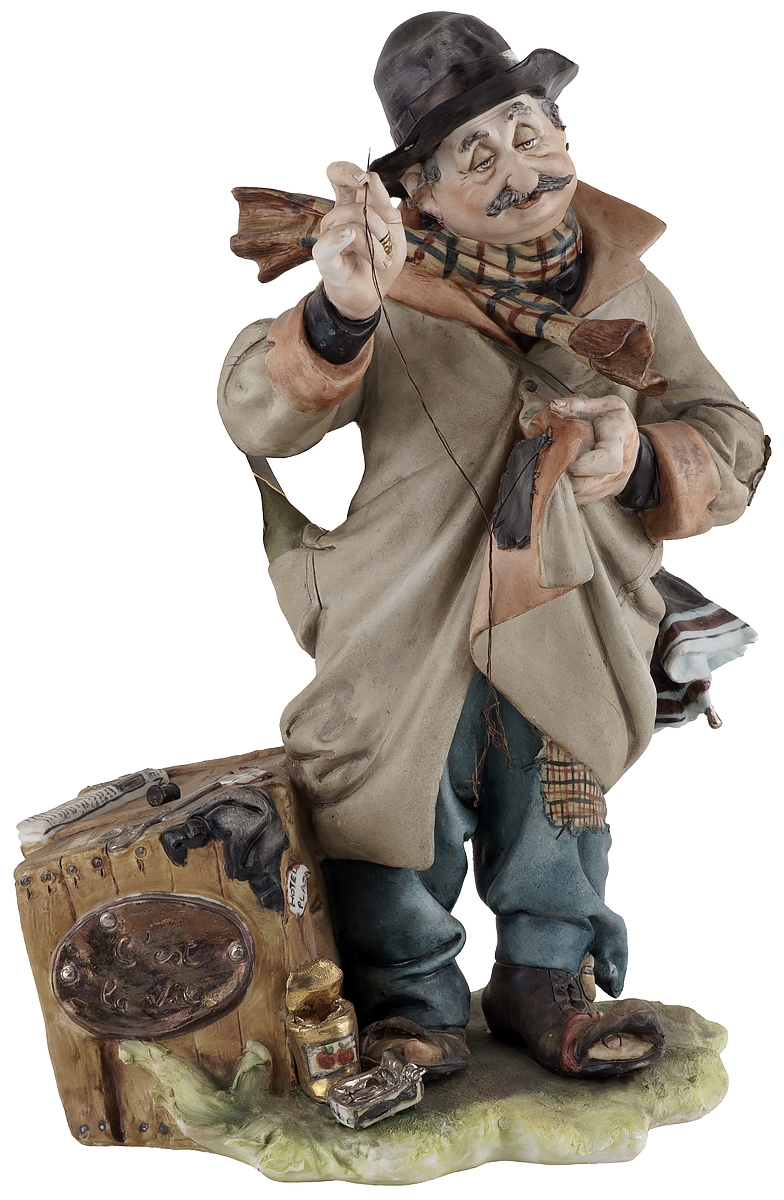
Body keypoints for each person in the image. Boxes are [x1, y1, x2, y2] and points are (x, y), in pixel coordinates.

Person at [218, 13, 767, 1078]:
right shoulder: (385, 286)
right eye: (476, 156)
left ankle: (549, 983)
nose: (519, 171)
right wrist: (339, 312)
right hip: (407, 615)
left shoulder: (629, 293)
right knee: (394, 811)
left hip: (572, 606)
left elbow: (732, 437)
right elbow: (256, 414)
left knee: (558, 799)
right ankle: (407, 1006)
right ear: (418, 193)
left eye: (528, 134)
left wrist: (639, 461)